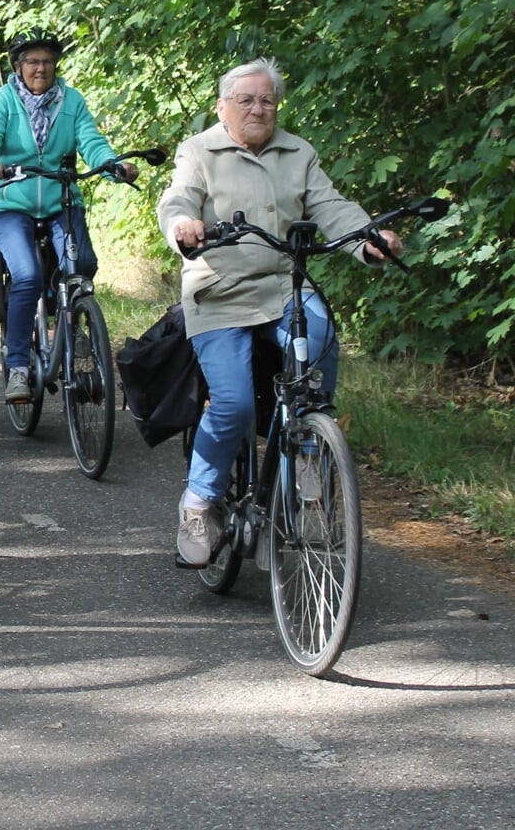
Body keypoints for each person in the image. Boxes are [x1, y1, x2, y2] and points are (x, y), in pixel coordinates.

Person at [156, 57, 402, 567]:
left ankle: (308, 451)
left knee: (320, 333)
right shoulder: (199, 151)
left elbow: (330, 206)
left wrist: (367, 238)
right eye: (245, 99)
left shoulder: (298, 152)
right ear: (222, 106)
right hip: (219, 290)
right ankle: (199, 501)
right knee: (235, 404)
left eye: (267, 99)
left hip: (282, 286)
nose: (257, 108)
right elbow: (178, 198)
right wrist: (183, 225)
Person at [0, 28, 137, 405]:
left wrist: (112, 165)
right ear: (18, 66)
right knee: (26, 276)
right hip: (12, 202)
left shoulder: (71, 100)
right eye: (31, 61)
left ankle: (68, 316)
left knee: (83, 265)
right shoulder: (3, 100)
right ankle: (17, 367)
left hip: (62, 199)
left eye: (46, 60)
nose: (40, 68)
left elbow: (91, 141)